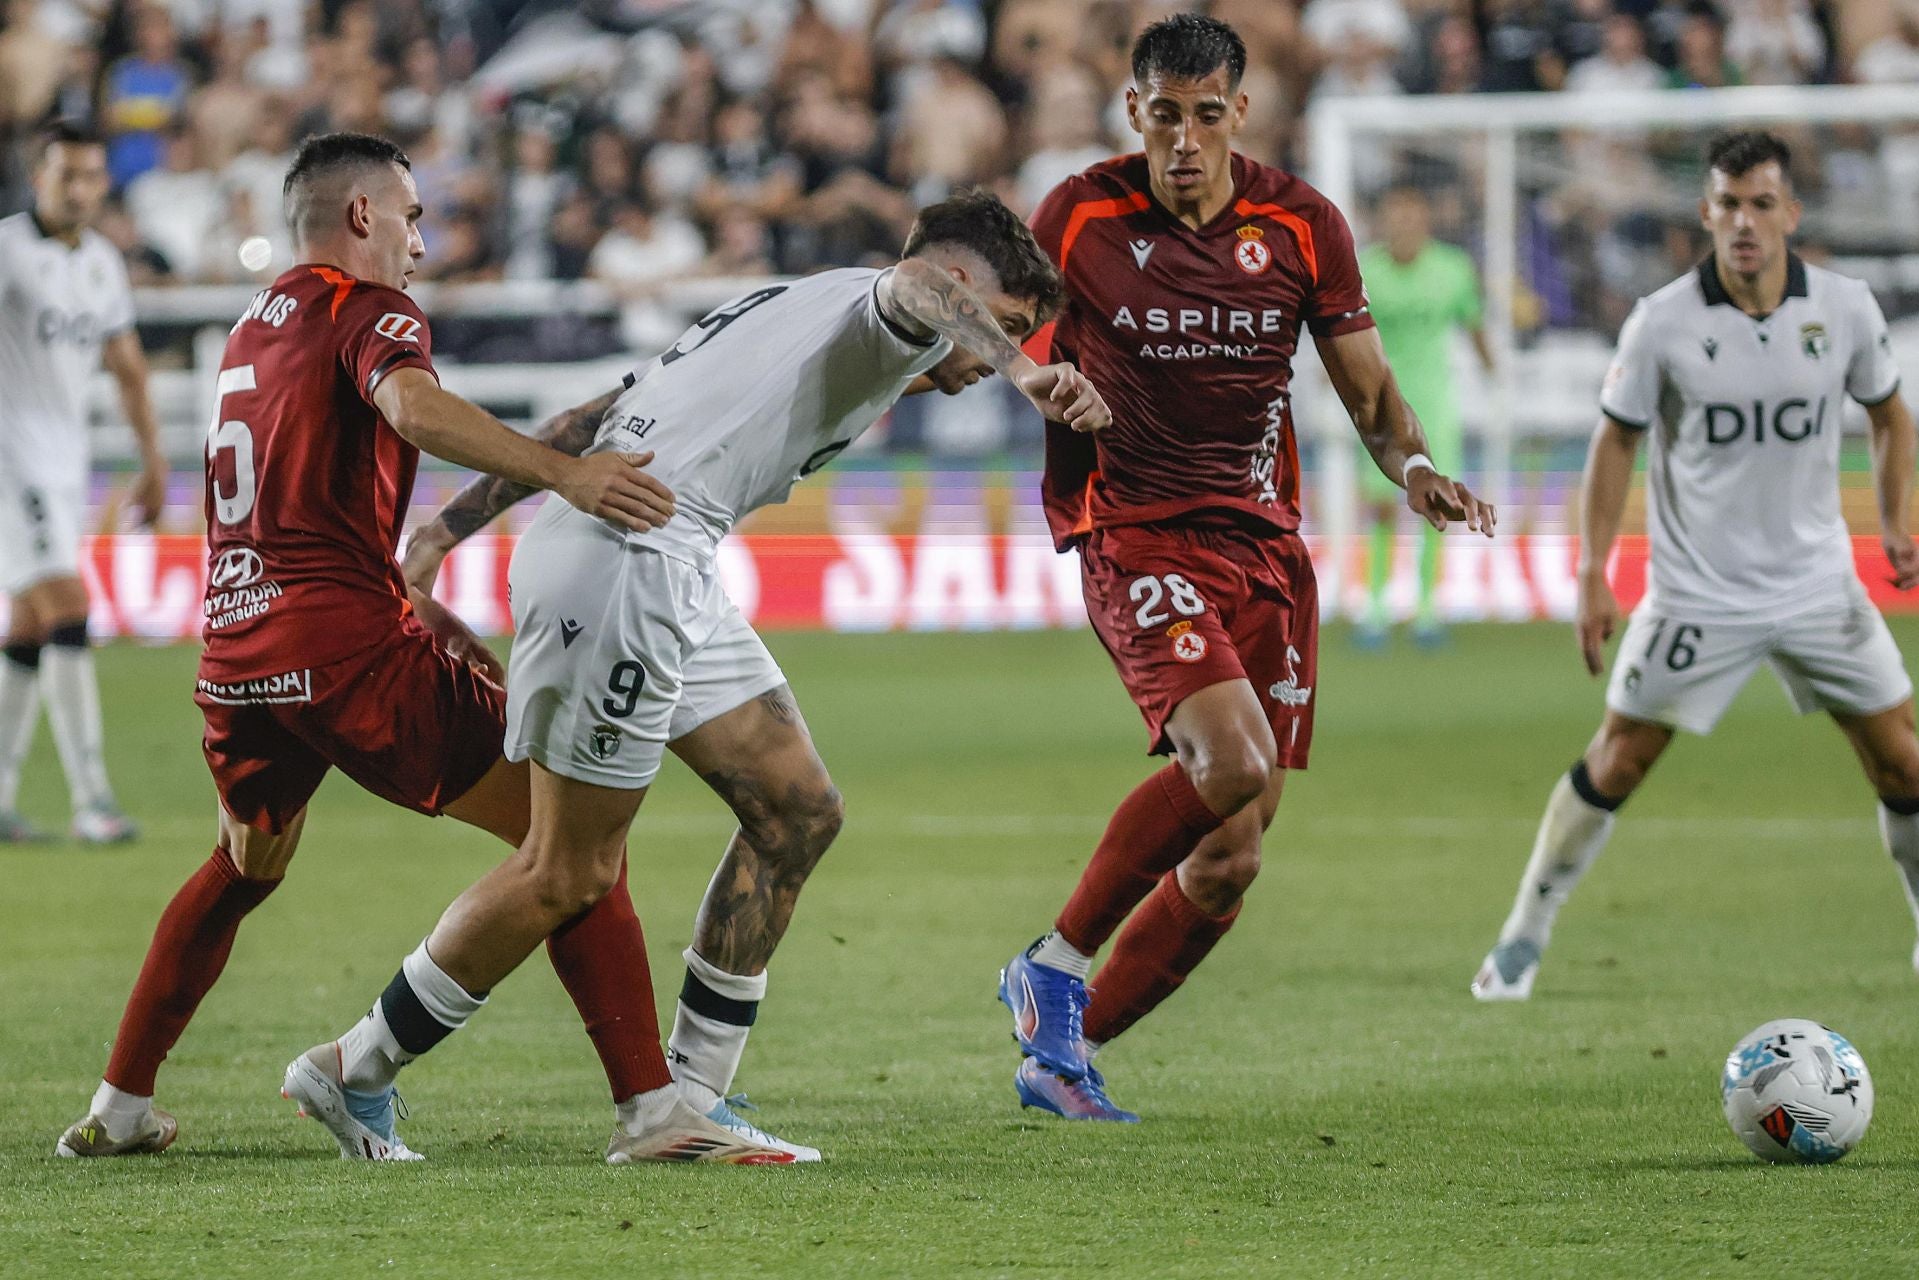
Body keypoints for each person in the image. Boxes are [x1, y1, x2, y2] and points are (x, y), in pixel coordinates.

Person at [302, 189, 1106, 1164]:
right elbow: (917, 287)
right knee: (566, 868)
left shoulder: (793, 302)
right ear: (964, 283)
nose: (992, 356)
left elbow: (593, 417)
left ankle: (689, 1097)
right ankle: (357, 1063)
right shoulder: (890, 311)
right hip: (626, 560)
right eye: (1006, 323)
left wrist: (444, 526)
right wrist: (1026, 370)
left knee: (798, 810)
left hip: (667, 560)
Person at [54, 132, 707, 1163]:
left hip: (238, 651)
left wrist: (417, 607)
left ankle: (119, 1103)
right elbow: (409, 402)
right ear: (361, 215)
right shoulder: (369, 310)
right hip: (344, 651)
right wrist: (565, 473)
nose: (421, 242)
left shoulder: (253, 328)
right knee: (574, 845)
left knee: (245, 861)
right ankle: (651, 1108)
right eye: (410, 216)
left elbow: (303, 507)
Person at [999, 13, 1494, 1122]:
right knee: (1228, 760)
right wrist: (1033, 377)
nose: (1185, 140)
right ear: (1133, 110)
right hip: (1133, 528)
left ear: (1242, 113)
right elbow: (992, 327)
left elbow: (1372, 396)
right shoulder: (1079, 213)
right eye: (1164, 116)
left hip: (1263, 549)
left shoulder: (1303, 224)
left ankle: (1065, 1055)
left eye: (1207, 116)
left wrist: (1417, 468)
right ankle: (1052, 965)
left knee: (1232, 856)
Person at [1471, 131, 1919, 1000]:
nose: (1745, 222)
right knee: (1619, 758)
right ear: (1705, 214)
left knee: (1902, 761)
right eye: (1729, 205)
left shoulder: (1846, 309)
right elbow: (1614, 443)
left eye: (1762, 204)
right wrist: (1594, 571)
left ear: (1791, 213)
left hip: (1818, 583)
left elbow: (1891, 415)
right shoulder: (1663, 322)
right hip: (1697, 593)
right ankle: (1523, 935)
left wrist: (1897, 518)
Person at [0, 120, 164, 845]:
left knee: (30, 626)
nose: (79, 189)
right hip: (9, 461)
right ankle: (93, 799)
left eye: (91, 176)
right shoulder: (7, 249)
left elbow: (128, 368)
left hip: (64, 464)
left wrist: (153, 461)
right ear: (39, 178)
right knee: (69, 605)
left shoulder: (100, 262)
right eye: (65, 174)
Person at [1354, 185, 1494, 648]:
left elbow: (1472, 325)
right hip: (1380, 403)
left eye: (1411, 217)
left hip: (1434, 404)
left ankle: (1427, 610)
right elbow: (1346, 333)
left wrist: (1494, 371)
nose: (1403, 226)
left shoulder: (1453, 270)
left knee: (1437, 503)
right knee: (1380, 507)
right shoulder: (1365, 270)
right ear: (1383, 222)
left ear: (1425, 222)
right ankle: (1375, 609)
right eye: (1395, 217)